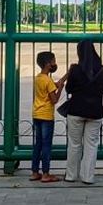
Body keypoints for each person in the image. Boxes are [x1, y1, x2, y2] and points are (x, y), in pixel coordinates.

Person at [63, 39, 103, 185]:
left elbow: (68, 89)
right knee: (91, 144)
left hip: (76, 110)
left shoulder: (75, 69)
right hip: (95, 111)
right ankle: (88, 177)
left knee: (74, 144)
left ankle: (71, 175)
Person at [31, 50, 68, 182]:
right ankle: (46, 173)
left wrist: (66, 75)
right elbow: (54, 100)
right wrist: (61, 89)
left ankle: (35, 172)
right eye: (53, 61)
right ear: (48, 64)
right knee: (46, 145)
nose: (54, 64)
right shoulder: (48, 80)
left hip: (36, 114)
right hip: (46, 116)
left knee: (38, 144)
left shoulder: (39, 78)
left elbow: (54, 85)